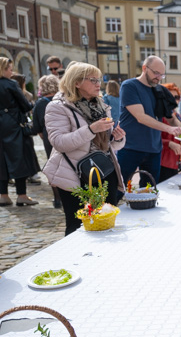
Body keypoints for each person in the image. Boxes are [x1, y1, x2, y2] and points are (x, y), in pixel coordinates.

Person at [43, 62, 126, 234]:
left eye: (99, 79)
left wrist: (118, 138)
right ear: (76, 82)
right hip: (74, 174)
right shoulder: (57, 106)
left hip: (103, 171)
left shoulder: (101, 105)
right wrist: (91, 130)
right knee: (77, 227)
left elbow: (108, 145)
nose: (98, 84)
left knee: (106, 221)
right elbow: (59, 142)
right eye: (93, 80)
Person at [117, 56, 181, 187]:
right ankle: (108, 208)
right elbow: (141, 117)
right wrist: (169, 129)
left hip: (154, 149)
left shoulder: (160, 90)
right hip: (130, 147)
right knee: (118, 189)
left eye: (162, 75)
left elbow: (170, 117)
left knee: (150, 190)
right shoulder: (129, 86)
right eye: (156, 73)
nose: (158, 77)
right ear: (144, 68)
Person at [0, 57, 38, 206]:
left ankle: (3, 195)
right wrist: (31, 104)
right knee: (19, 157)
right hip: (13, 125)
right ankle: (21, 194)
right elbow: (25, 105)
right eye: (9, 68)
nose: (11, 71)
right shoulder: (11, 84)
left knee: (1, 160)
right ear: (3, 69)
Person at [32, 75, 62, 208]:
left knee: (53, 167)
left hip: (49, 138)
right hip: (66, 135)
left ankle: (57, 198)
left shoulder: (40, 103)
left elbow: (36, 127)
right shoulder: (63, 99)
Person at [159, 83, 181, 183]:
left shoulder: (178, 115)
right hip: (164, 161)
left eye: (177, 97)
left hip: (177, 161)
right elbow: (151, 138)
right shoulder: (159, 115)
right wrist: (169, 143)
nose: (174, 100)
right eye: (170, 97)